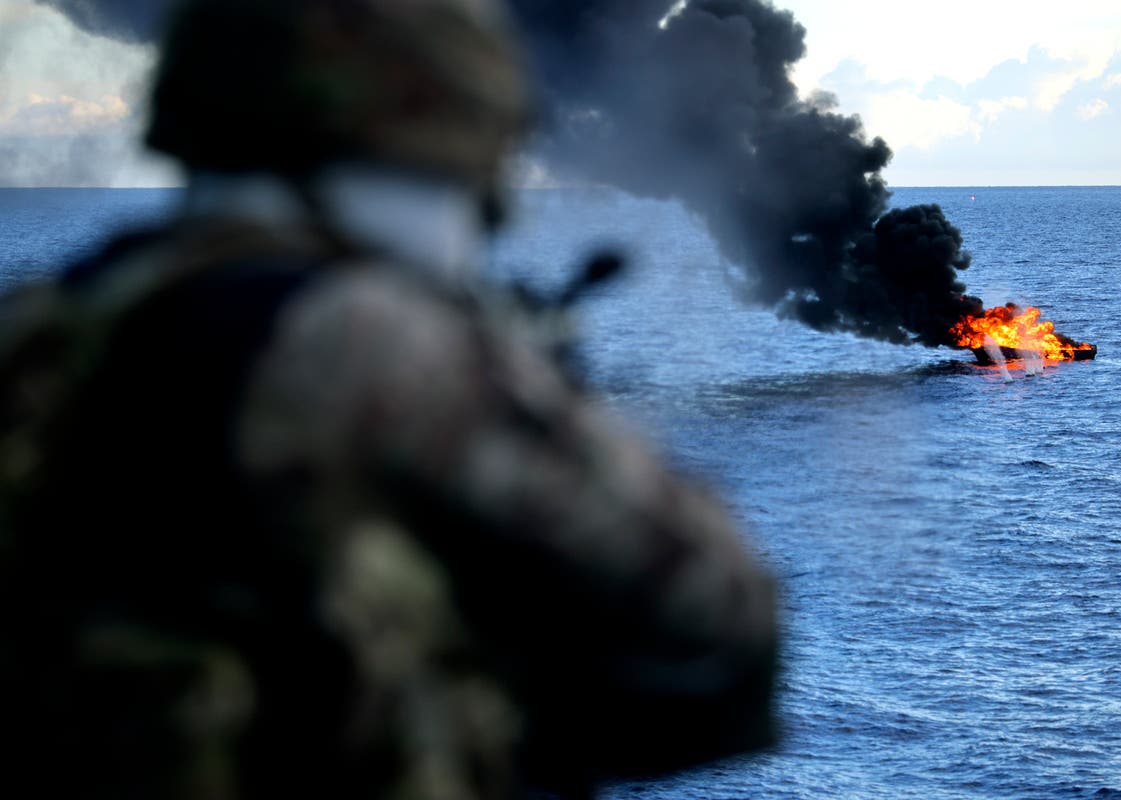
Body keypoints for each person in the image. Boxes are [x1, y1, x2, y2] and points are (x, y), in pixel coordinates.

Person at [0, 0, 777, 798]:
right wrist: (533, 386)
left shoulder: (46, 325)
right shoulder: (370, 338)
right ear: (435, 157)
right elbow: (725, 637)